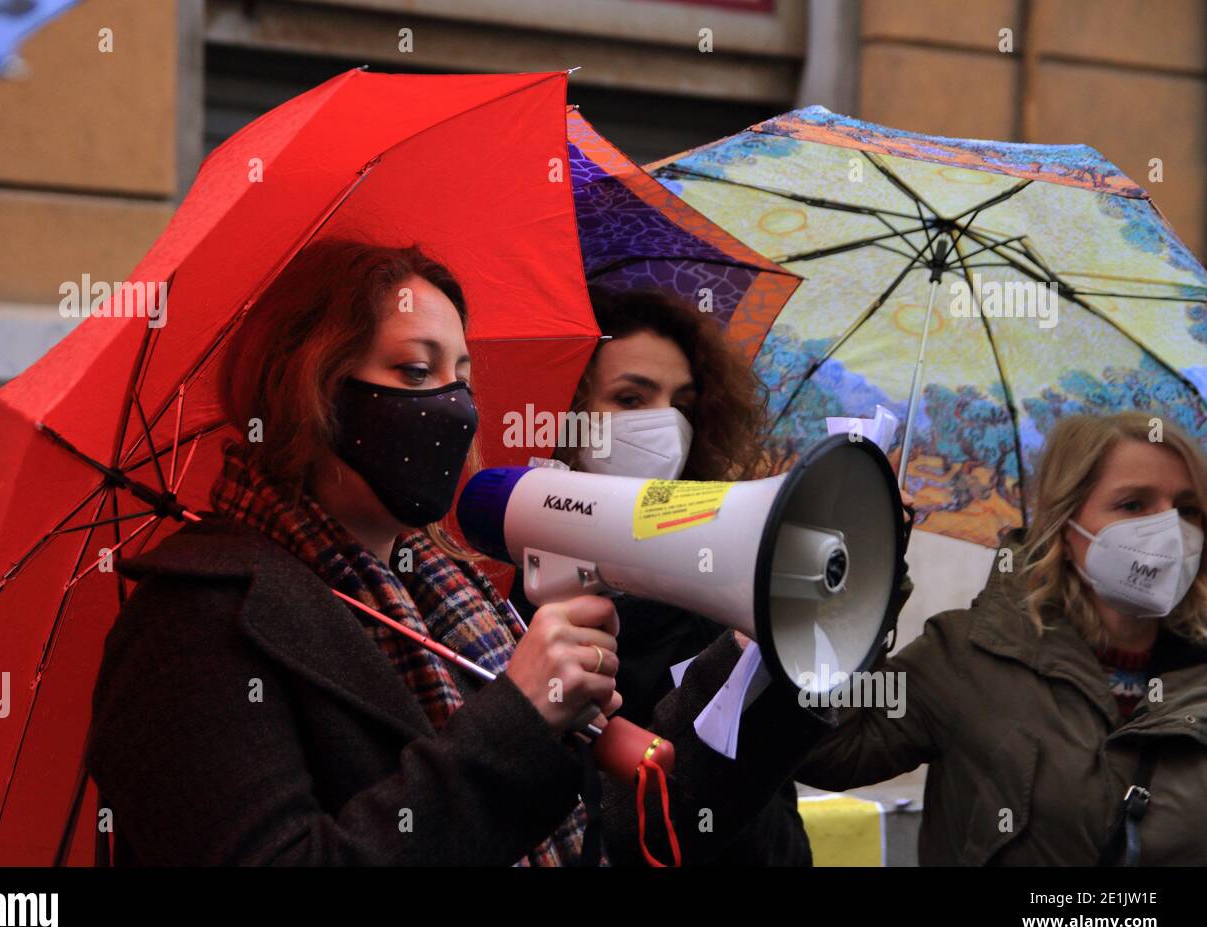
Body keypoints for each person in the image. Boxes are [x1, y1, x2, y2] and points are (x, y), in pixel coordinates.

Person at [85, 239, 826, 866]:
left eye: (463, 379)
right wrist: (518, 723)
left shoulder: (457, 602)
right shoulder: (195, 622)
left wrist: (770, 654)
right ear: (308, 385)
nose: (453, 407)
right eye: (415, 373)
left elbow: (638, 827)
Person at [796, 411, 1207, 865]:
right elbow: (830, 750)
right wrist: (860, 576)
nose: (1169, 532)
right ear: (1065, 523)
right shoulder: (965, 655)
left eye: (1186, 509)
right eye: (1133, 505)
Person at [507, 285, 827, 865]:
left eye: (681, 404)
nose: (666, 427)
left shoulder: (717, 599)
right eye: (631, 399)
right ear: (565, 412)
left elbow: (774, 826)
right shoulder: (507, 611)